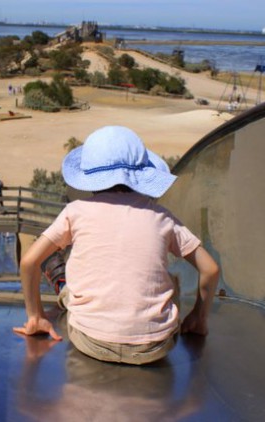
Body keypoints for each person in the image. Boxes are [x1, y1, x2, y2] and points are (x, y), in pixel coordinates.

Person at [13, 125, 220, 365]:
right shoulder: (162, 216)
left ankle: (61, 284)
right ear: (142, 177)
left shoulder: (76, 212)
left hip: (89, 340)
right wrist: (198, 317)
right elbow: (210, 270)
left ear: (88, 177)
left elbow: (29, 262)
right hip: (157, 346)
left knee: (72, 290)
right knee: (169, 282)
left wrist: (36, 316)